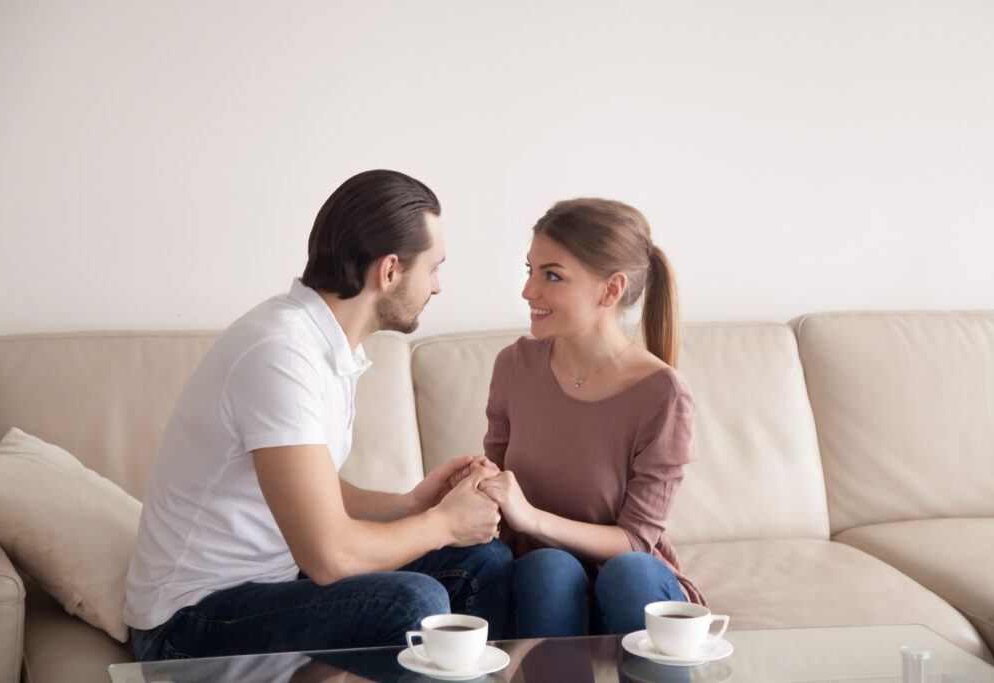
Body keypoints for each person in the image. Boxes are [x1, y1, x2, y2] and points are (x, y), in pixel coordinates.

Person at [124, 169, 511, 662]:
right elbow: (329, 556)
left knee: (483, 561)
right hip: (185, 625)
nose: (436, 287)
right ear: (389, 271)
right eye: (433, 269)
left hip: (271, 586)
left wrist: (413, 504)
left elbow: (313, 491)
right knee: (414, 603)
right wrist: (444, 524)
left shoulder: (322, 344)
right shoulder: (281, 352)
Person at [473, 197, 704, 638]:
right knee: (549, 568)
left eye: (552, 275)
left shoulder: (664, 395)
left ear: (611, 290)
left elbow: (635, 540)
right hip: (541, 587)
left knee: (630, 570)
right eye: (530, 270)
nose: (528, 291)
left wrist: (532, 518)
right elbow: (499, 486)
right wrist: (474, 487)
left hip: (629, 588)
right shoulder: (514, 366)